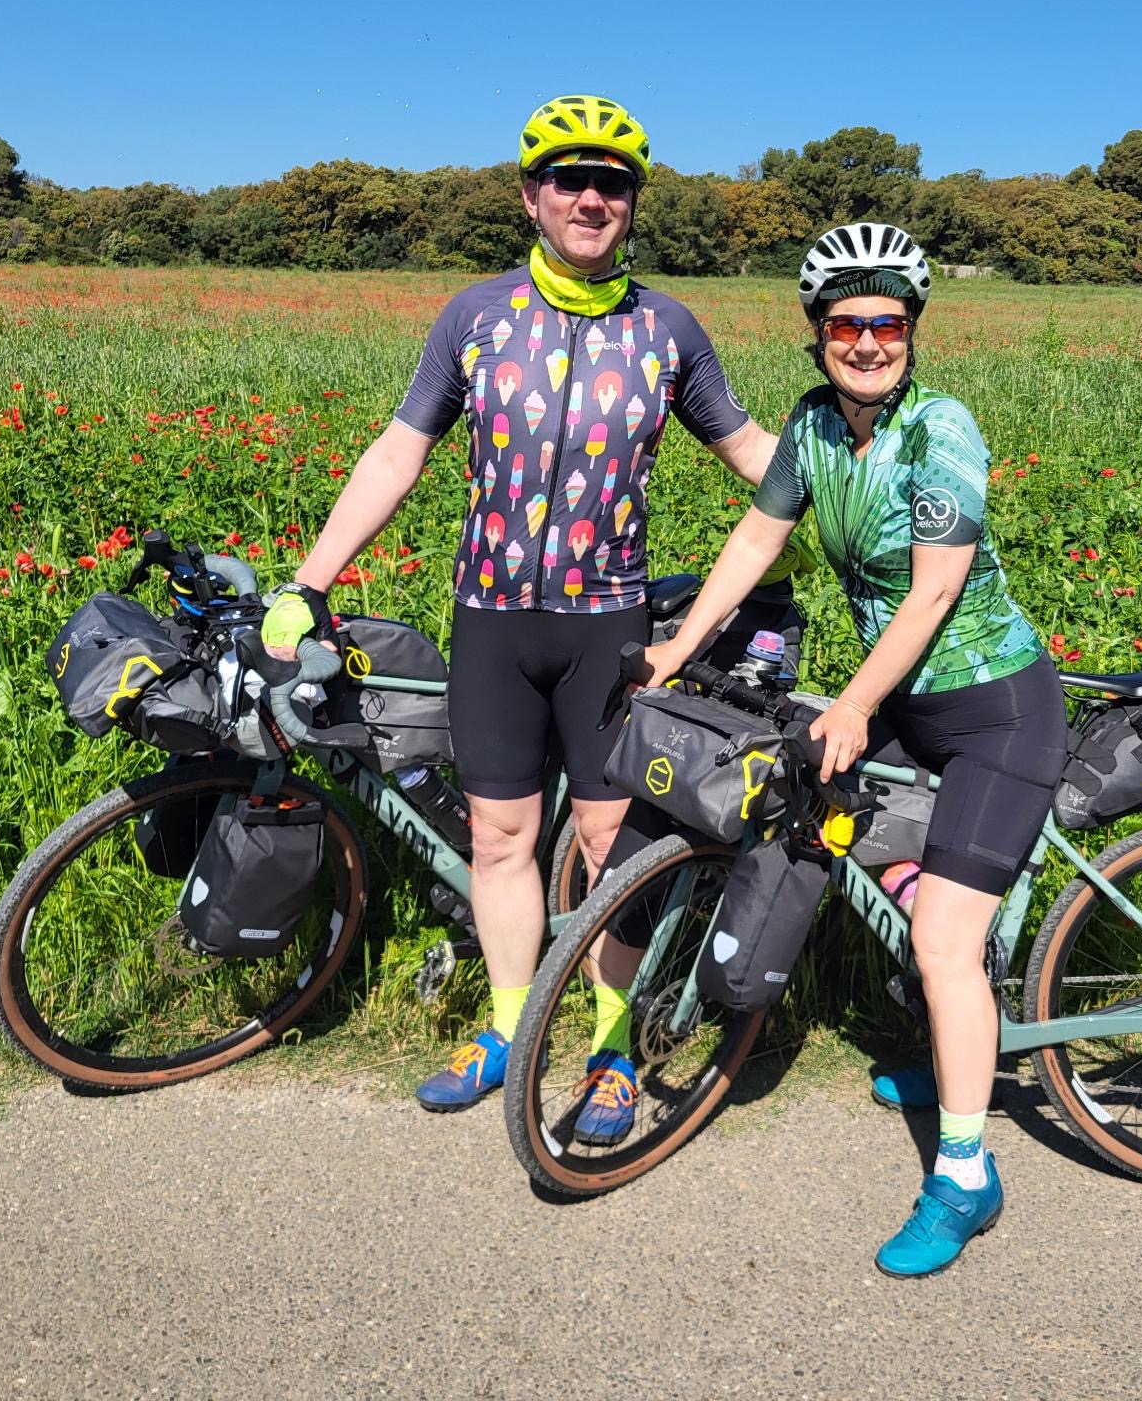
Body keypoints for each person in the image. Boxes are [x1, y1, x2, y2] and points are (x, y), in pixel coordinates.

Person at [260, 95, 776, 1132]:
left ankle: (608, 1049)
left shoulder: (666, 330)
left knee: (606, 841)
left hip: (605, 628)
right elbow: (398, 451)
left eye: (613, 183)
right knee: (500, 838)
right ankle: (507, 1026)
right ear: (531, 197)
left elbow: (758, 458)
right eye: (569, 180)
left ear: (632, 203)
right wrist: (307, 581)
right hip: (492, 620)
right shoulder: (476, 317)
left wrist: (884, 513)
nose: (592, 198)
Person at [641, 221, 1068, 1277]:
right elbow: (755, 538)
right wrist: (675, 647)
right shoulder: (811, 429)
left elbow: (931, 591)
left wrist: (852, 706)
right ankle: (952, 1043)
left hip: (993, 709)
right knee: (830, 829)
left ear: (912, 331)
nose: (867, 341)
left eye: (886, 322)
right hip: (906, 703)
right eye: (846, 323)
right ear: (816, 334)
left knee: (938, 942)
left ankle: (964, 1176)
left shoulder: (940, 431)